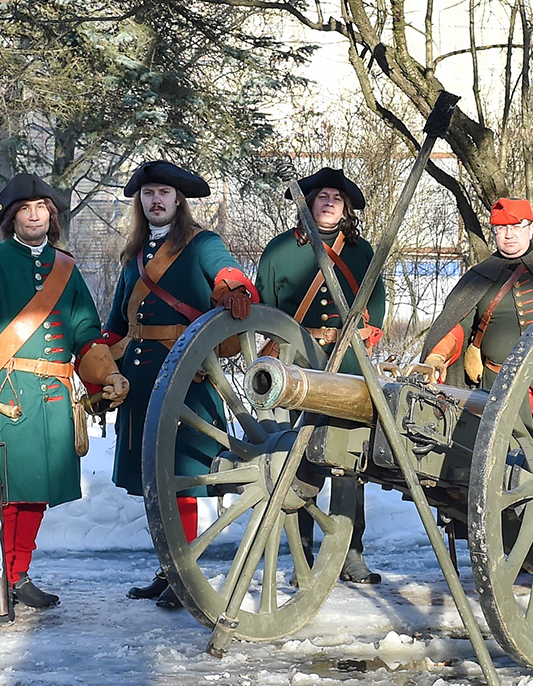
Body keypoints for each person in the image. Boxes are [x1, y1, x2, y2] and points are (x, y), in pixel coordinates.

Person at [0, 173, 129, 625]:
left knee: (35, 496)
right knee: (1, 496)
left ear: (52, 215)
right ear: (11, 218)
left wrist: (106, 375)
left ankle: (20, 573)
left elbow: (85, 333)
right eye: (25, 208)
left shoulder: (66, 267)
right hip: (6, 392)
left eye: (43, 207)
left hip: (50, 398)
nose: (35, 214)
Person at [101, 160, 258, 609]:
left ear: (178, 200)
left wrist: (234, 291)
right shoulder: (133, 255)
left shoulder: (201, 243)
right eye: (148, 193)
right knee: (153, 482)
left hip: (187, 375)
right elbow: (116, 324)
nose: (155, 200)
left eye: (164, 193)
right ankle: (168, 567)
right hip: (140, 378)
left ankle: (184, 572)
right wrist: (99, 369)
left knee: (180, 481)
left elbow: (230, 273)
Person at [255, 167, 387, 584]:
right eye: (321, 196)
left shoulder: (362, 252)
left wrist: (363, 337)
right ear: (308, 204)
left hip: (348, 360)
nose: (329, 202)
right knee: (301, 458)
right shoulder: (280, 251)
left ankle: (351, 552)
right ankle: (303, 554)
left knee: (350, 458)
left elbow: (377, 303)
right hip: (298, 361)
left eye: (336, 197)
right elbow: (267, 306)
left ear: (345, 207)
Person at [421, 197, 533, 390]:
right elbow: (457, 326)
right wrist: (437, 355)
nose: (509, 234)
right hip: (495, 387)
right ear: (493, 233)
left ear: (531, 229)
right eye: (502, 228)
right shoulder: (479, 275)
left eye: (517, 226)